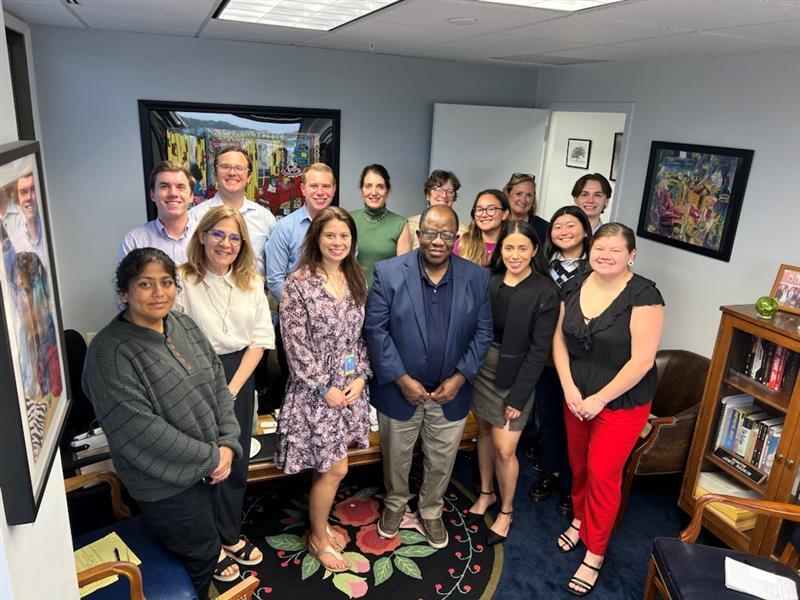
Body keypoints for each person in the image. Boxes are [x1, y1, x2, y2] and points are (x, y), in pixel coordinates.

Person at [82, 248, 243, 598]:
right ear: (124, 293)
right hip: (165, 484)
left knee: (201, 544)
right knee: (200, 554)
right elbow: (140, 431)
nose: (159, 293)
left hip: (209, 465)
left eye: (166, 282)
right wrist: (213, 457)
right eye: (145, 284)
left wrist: (229, 442)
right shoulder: (110, 354)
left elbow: (218, 382)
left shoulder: (182, 323)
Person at [364, 205, 492, 549]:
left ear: (457, 237)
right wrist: (402, 379)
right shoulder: (389, 273)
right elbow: (375, 331)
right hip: (399, 390)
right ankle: (395, 504)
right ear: (418, 234)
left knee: (442, 457)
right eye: (431, 233)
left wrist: (461, 377)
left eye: (446, 234)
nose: (438, 241)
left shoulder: (476, 277)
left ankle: (431, 510)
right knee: (396, 455)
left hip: (452, 391)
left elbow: (483, 333)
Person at [552, 223, 664, 596]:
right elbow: (558, 340)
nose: (605, 255)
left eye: (616, 250)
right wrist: (568, 387)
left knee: (602, 474)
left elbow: (643, 361)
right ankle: (580, 519)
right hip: (575, 394)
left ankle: (595, 551)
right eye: (600, 248)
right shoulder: (573, 285)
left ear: (631, 255)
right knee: (579, 464)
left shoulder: (644, 294)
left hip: (620, 400)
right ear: (589, 251)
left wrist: (599, 398)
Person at [175, 205, 275, 572]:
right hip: (194, 373)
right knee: (202, 463)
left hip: (239, 373)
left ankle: (230, 534)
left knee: (235, 460)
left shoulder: (252, 282)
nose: (226, 243)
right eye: (218, 234)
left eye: (235, 237)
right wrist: (209, 386)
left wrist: (231, 390)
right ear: (201, 235)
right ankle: (209, 544)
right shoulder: (182, 279)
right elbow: (174, 337)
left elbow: (260, 341)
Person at [275, 207, 371, 572]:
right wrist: (323, 387)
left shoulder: (354, 276)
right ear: (316, 237)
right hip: (316, 391)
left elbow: (359, 339)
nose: (338, 242)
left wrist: (361, 376)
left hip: (349, 388)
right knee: (335, 468)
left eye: (344, 236)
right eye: (330, 235)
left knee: (326, 464)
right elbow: (294, 345)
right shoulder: (298, 283)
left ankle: (319, 522)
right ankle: (317, 538)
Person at [466, 221, 559, 546]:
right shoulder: (488, 280)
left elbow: (538, 352)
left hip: (517, 379)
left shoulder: (546, 291)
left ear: (535, 250)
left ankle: (506, 511)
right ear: (499, 250)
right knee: (485, 434)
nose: (515, 255)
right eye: (509, 247)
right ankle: (486, 493)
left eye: (522, 248)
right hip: (482, 372)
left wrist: (518, 398)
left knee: (506, 449)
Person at [529, 206, 593, 513]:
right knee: (549, 420)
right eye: (558, 226)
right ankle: (551, 473)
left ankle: (571, 484)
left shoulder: (595, 267)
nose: (564, 231)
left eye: (571, 225)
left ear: (584, 230)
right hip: (545, 357)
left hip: (578, 359)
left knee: (575, 426)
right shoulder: (543, 264)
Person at [191, 145, 276, 276]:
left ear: (249, 177)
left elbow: (274, 267)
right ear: (215, 174)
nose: (232, 173)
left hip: (252, 294)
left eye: (239, 168)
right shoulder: (195, 216)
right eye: (225, 167)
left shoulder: (265, 218)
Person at [266, 162, 337, 302]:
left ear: (334, 189)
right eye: (314, 186)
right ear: (303, 189)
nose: (320, 192)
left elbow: (348, 274)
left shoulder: (344, 228)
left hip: (336, 315)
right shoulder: (285, 227)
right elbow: (275, 280)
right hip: (295, 316)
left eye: (326, 186)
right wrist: (300, 311)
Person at [118, 161, 198, 264]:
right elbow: (126, 279)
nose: (173, 193)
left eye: (180, 187)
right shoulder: (135, 241)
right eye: (164, 186)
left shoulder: (205, 236)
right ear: (152, 195)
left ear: (191, 196)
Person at [349, 164, 406, 287]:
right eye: (368, 186)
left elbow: (403, 272)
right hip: (351, 296)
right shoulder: (348, 220)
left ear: (388, 192)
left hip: (385, 298)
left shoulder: (400, 224)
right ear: (361, 190)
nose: (373, 192)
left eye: (380, 187)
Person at [396, 170, 468, 254]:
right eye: (438, 190)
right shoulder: (409, 225)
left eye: (449, 191)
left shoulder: (464, 233)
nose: (444, 195)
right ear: (427, 195)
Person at [453, 189, 510, 267]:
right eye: (479, 209)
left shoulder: (513, 245)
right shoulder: (462, 244)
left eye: (491, 209)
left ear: (505, 214)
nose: (484, 215)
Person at [9, 171, 46, 262]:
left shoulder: (55, 230)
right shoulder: (14, 244)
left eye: (33, 189)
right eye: (23, 192)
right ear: (18, 198)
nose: (29, 197)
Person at [504, 172, 548, 243]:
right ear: (507, 194)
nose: (523, 200)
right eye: (518, 194)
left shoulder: (545, 228)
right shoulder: (496, 222)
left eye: (529, 195)